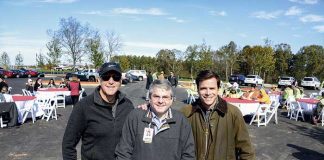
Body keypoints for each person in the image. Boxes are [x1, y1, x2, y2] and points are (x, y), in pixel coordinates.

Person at [62, 62, 135, 160]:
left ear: (120, 81)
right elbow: (68, 144)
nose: (111, 81)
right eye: (106, 77)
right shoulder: (84, 106)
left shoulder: (127, 106)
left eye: (116, 77)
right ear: (100, 80)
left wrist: (147, 108)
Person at [180, 70, 255, 159]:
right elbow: (177, 148)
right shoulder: (185, 113)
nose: (208, 93)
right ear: (197, 90)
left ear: (218, 89)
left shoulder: (233, 113)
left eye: (212, 88)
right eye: (203, 88)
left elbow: (247, 151)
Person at [115, 79, 195, 160]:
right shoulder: (135, 117)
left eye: (165, 97)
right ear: (149, 98)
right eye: (156, 96)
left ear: (171, 100)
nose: (160, 101)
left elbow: (188, 155)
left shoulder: (181, 121)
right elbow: (123, 152)